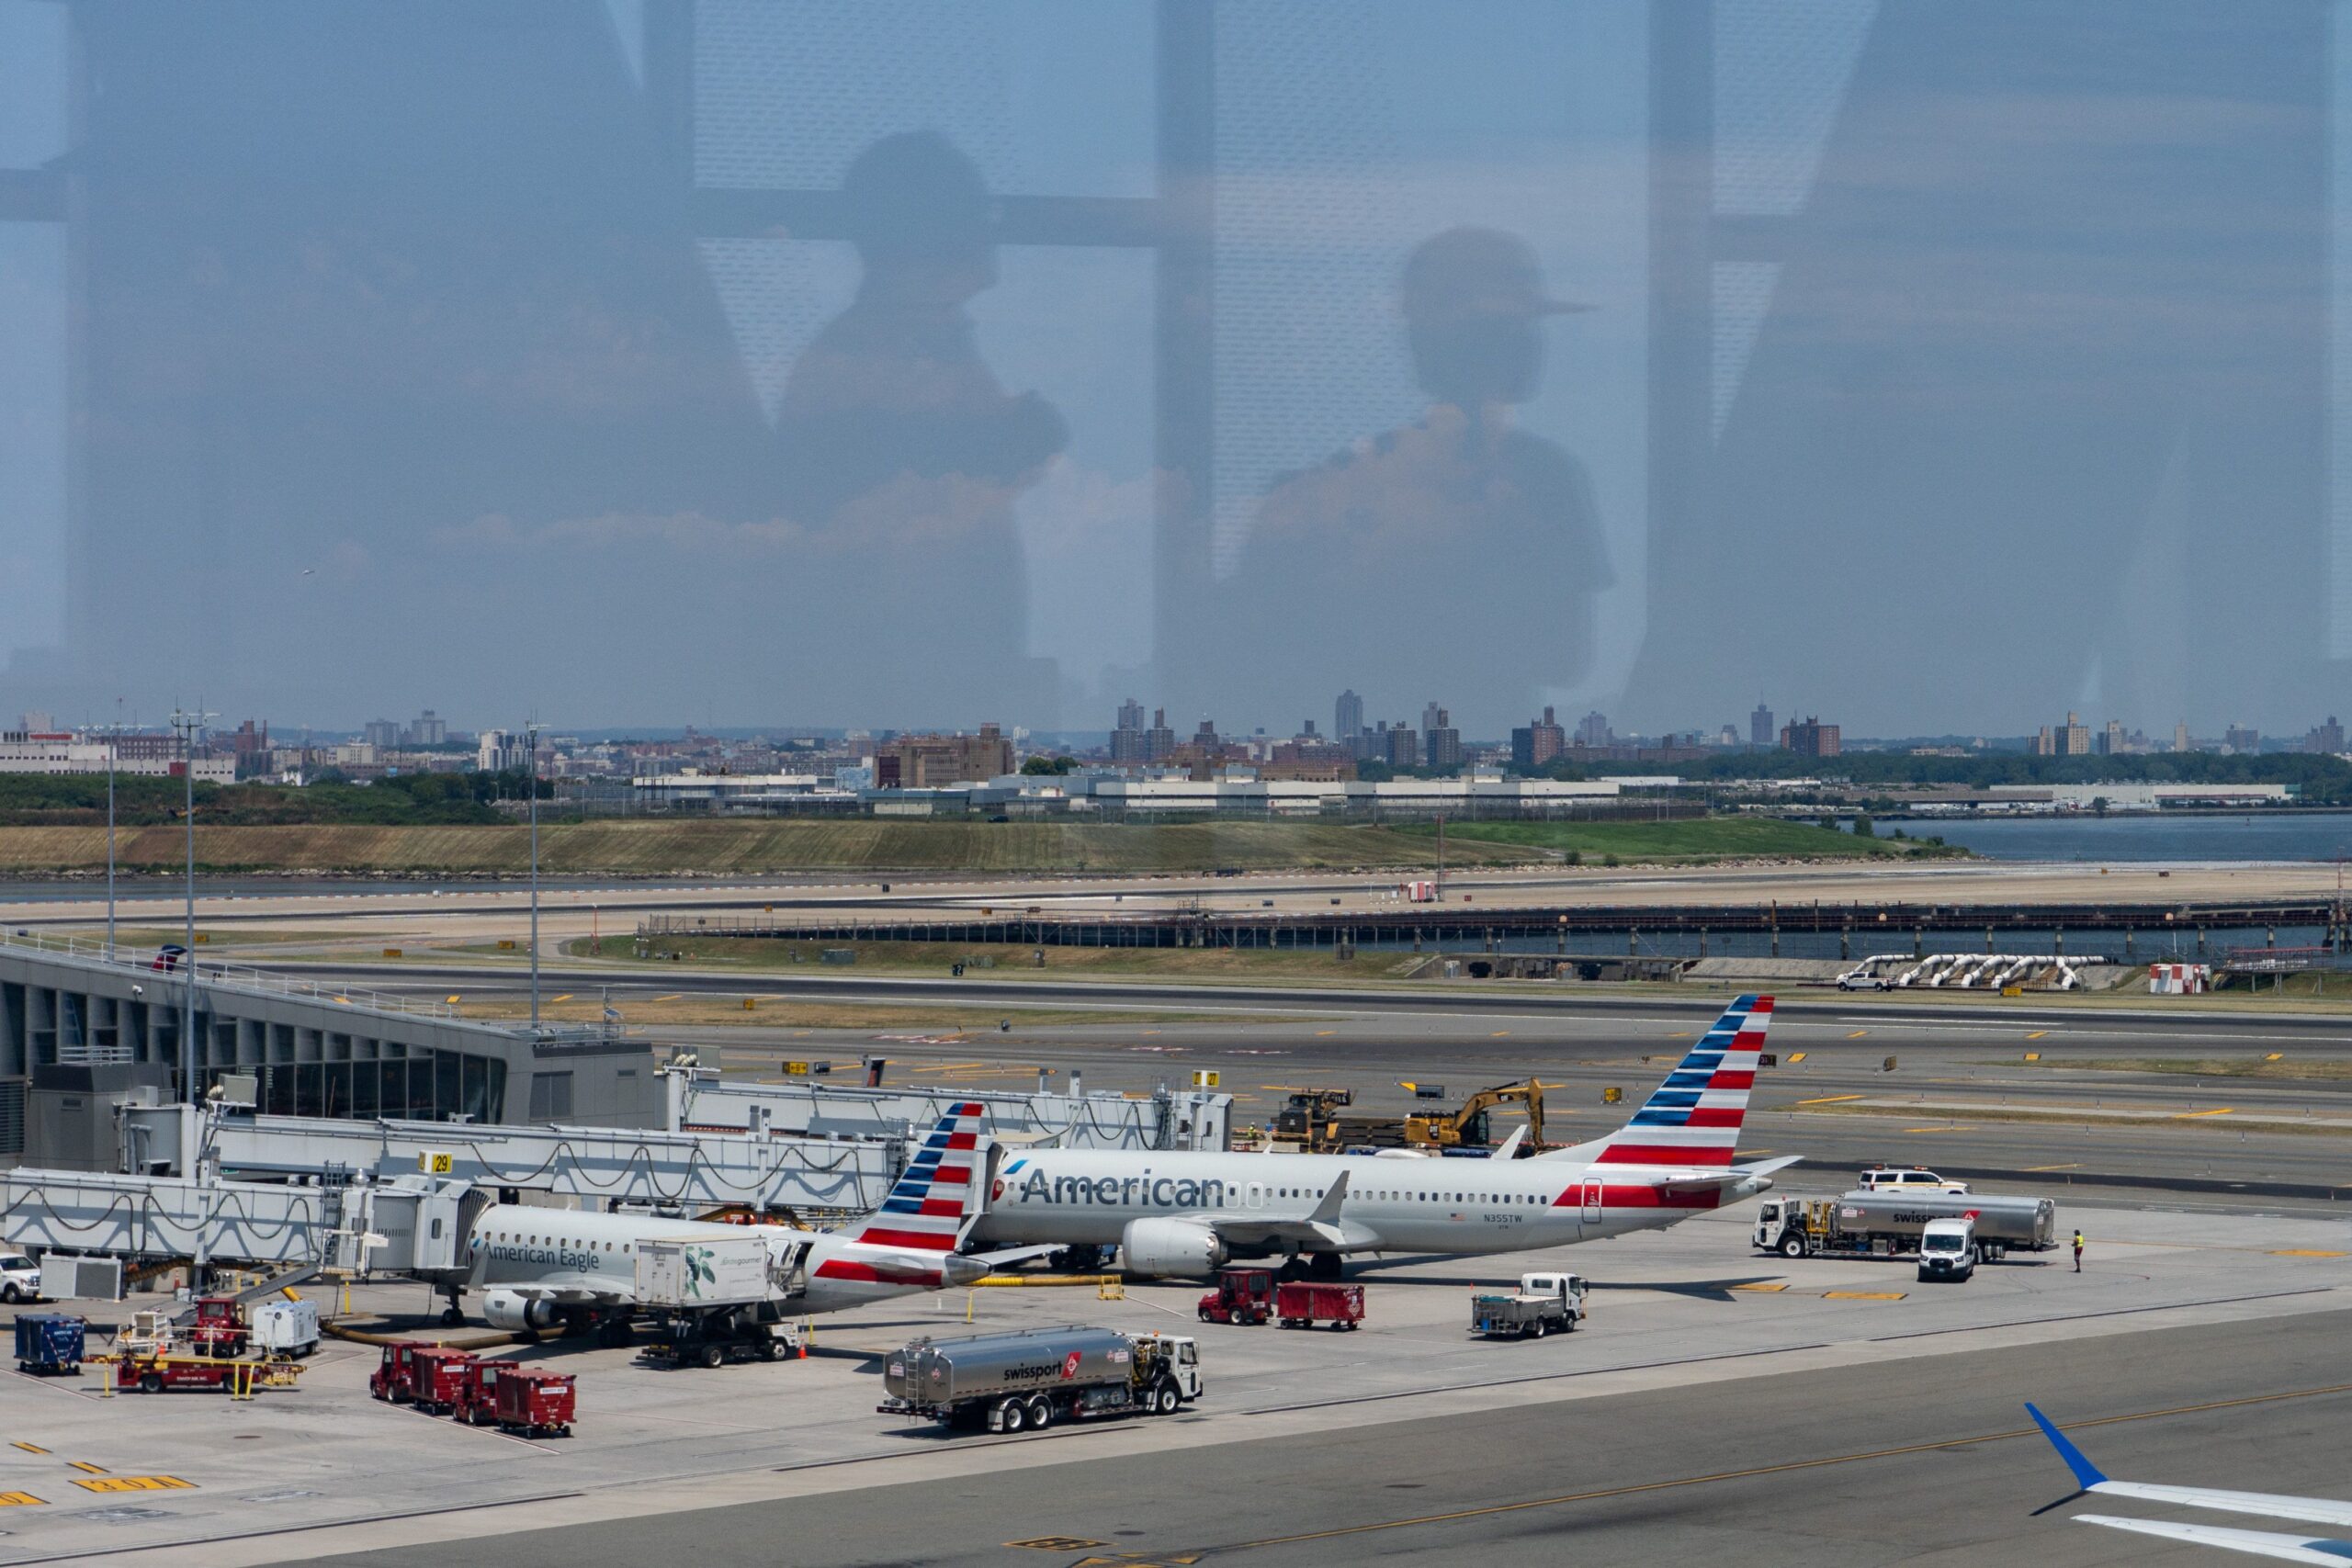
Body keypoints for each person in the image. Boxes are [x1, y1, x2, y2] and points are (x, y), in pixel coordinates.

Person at [1230, 227, 1611, 726]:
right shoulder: (1545, 481)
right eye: (1514, 329)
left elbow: (1565, 658)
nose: (1531, 345)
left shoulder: (1324, 493)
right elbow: (1563, 656)